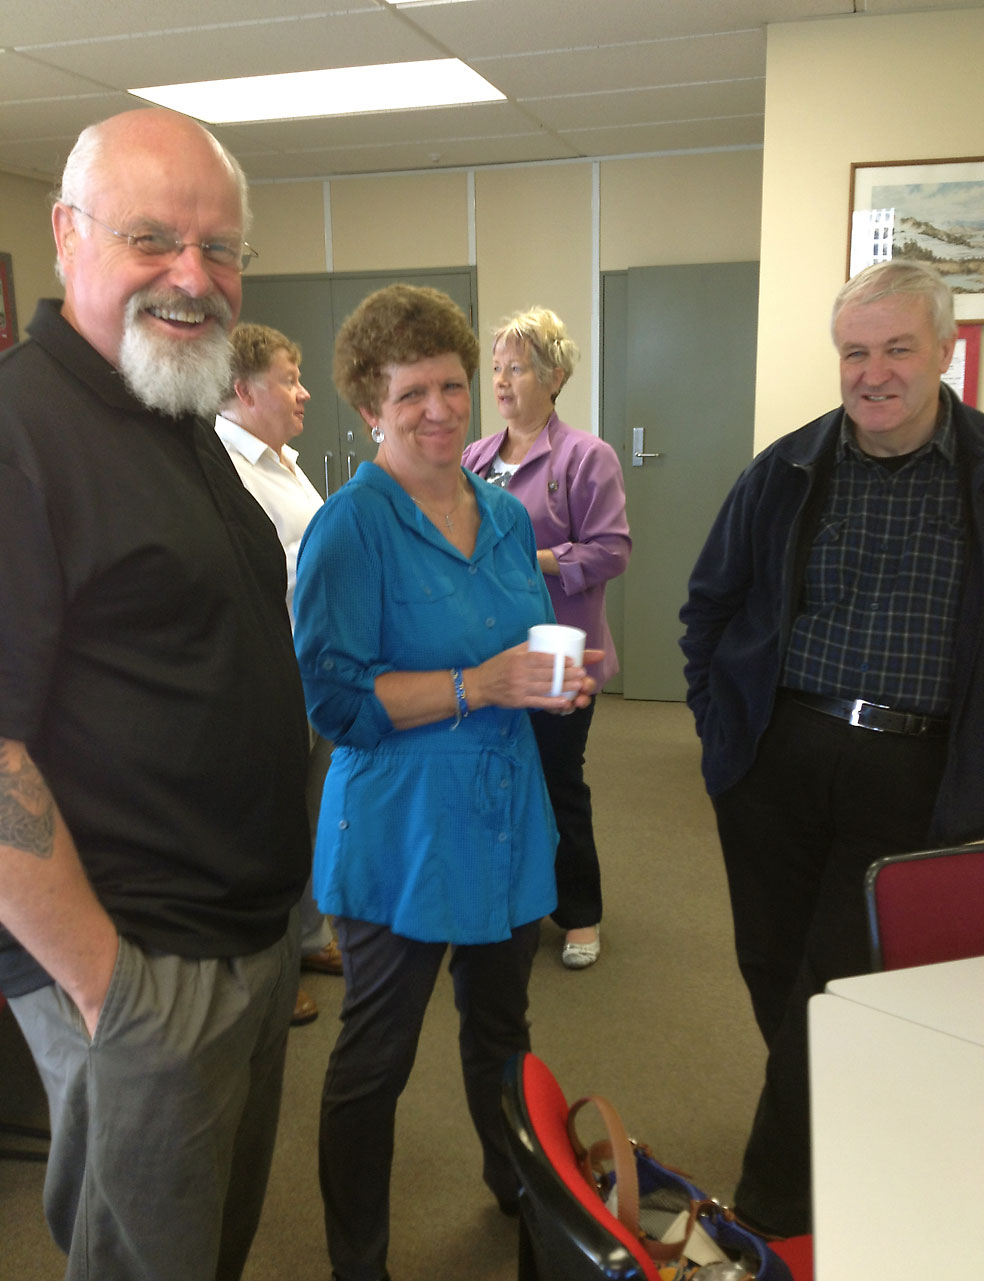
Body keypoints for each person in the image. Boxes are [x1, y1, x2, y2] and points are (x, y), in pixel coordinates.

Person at [0, 109, 311, 1281]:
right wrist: (109, 993)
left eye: (220, 247)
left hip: (244, 937)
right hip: (141, 967)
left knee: (206, 1251)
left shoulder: (170, 409)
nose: (194, 276)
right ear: (67, 235)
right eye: (153, 239)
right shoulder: (21, 433)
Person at [292, 283, 600, 1281]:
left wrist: (554, 680)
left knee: (502, 1029)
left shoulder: (507, 519)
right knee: (375, 1058)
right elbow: (336, 705)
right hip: (401, 832)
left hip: (506, 815)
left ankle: (514, 1187)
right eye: (413, 390)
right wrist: (482, 684)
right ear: (370, 405)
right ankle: (359, 1261)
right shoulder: (350, 530)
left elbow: (518, 643)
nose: (440, 408)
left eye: (455, 385)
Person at [679, 259, 984, 1237]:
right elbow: (708, 606)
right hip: (780, 759)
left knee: (839, 981)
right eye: (856, 351)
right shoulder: (788, 469)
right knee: (773, 963)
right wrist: (722, 737)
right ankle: (849, 1124)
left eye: (899, 348)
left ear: (945, 349)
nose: (875, 372)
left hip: (919, 774)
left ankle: (772, 1209)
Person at [463, 307, 630, 969]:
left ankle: (580, 913)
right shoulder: (475, 456)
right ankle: (506, 897)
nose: (502, 381)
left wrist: (532, 558)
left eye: (519, 367)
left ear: (554, 375)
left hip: (560, 651)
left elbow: (611, 550)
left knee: (557, 780)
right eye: (496, 368)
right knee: (493, 776)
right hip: (487, 652)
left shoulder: (587, 456)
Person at [216, 322, 344, 1027]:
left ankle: (309, 937)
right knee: (269, 827)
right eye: (288, 379)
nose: (302, 394)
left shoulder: (283, 461)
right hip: (268, 674)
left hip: (313, 665)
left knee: (311, 811)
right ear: (242, 389)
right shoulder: (225, 466)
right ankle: (268, 970)